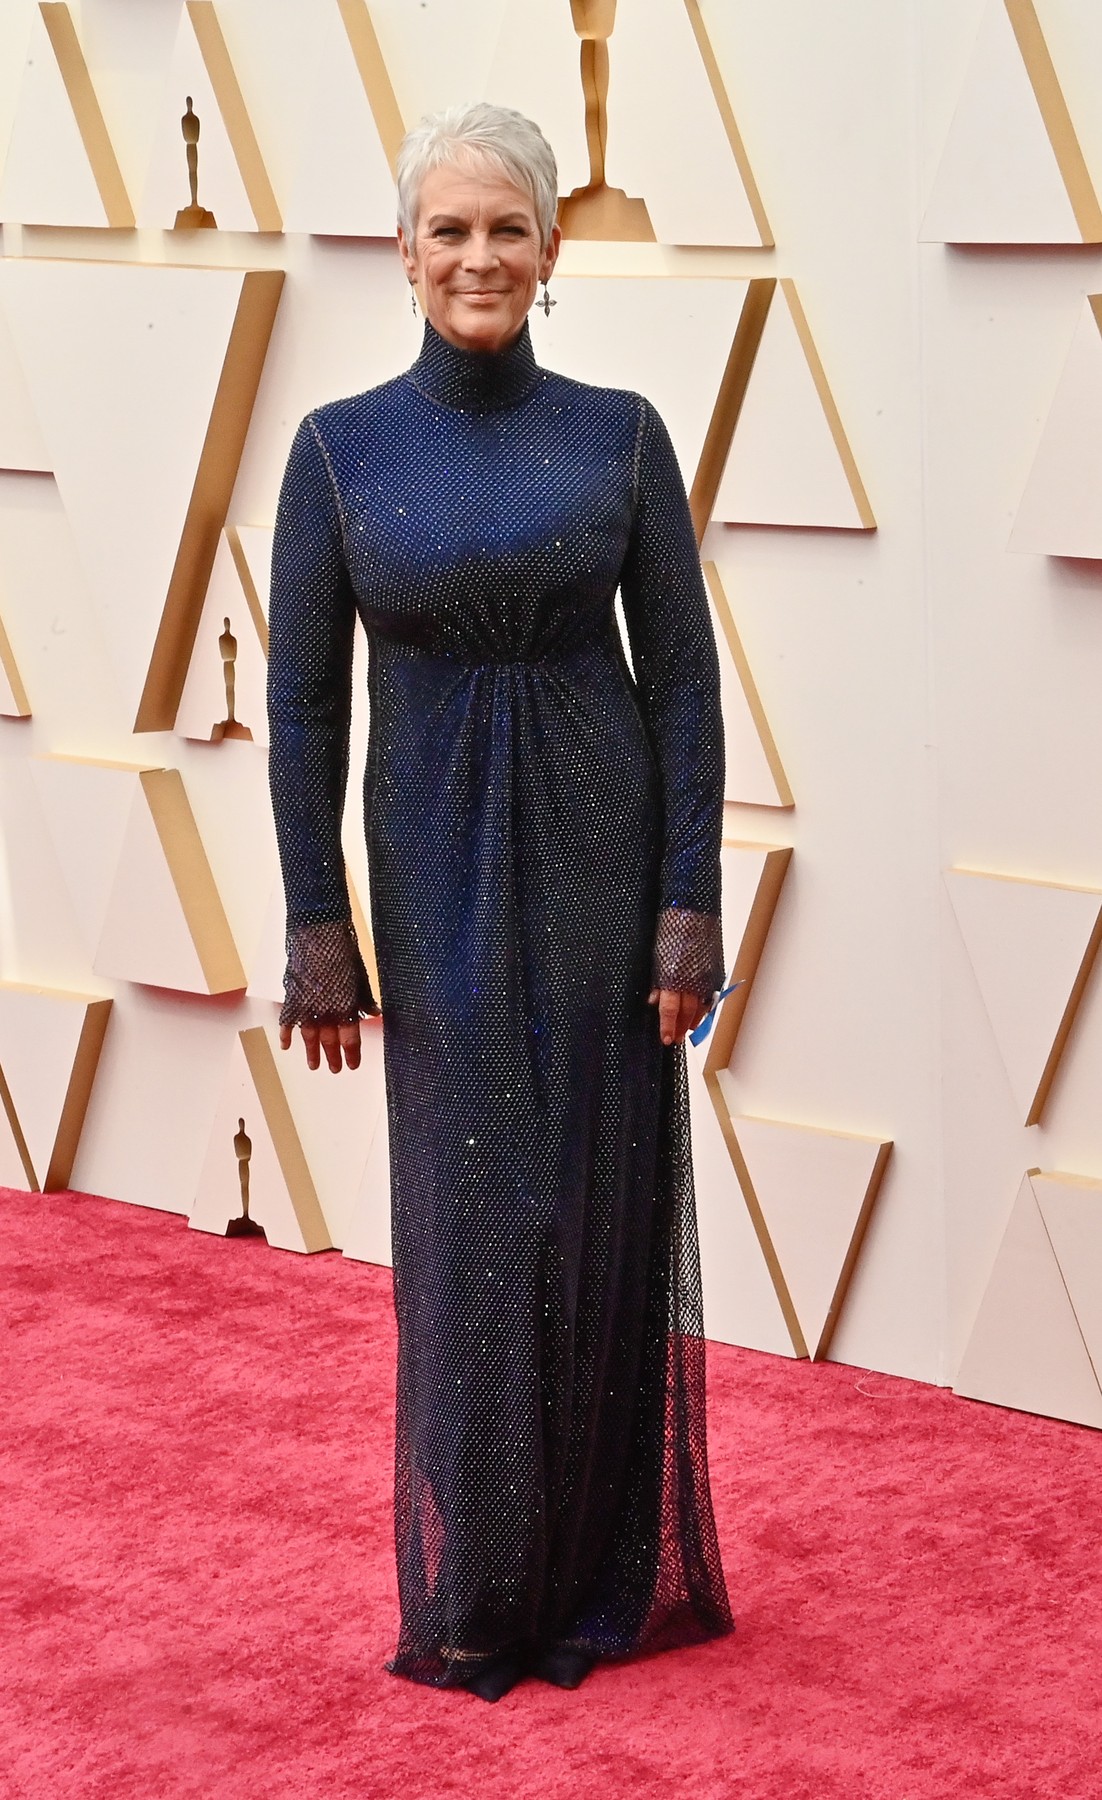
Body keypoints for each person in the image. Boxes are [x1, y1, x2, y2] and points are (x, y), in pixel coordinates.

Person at [267, 101, 732, 1702]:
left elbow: (678, 678)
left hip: (605, 866)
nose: (479, 255)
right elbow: (308, 710)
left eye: (508, 227)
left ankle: (599, 1574)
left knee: (597, 1203)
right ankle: (479, 1583)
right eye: (448, 229)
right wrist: (316, 933)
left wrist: (688, 911)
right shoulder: (336, 446)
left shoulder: (619, 432)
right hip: (433, 863)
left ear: (551, 253)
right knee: (475, 1220)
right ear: (403, 254)